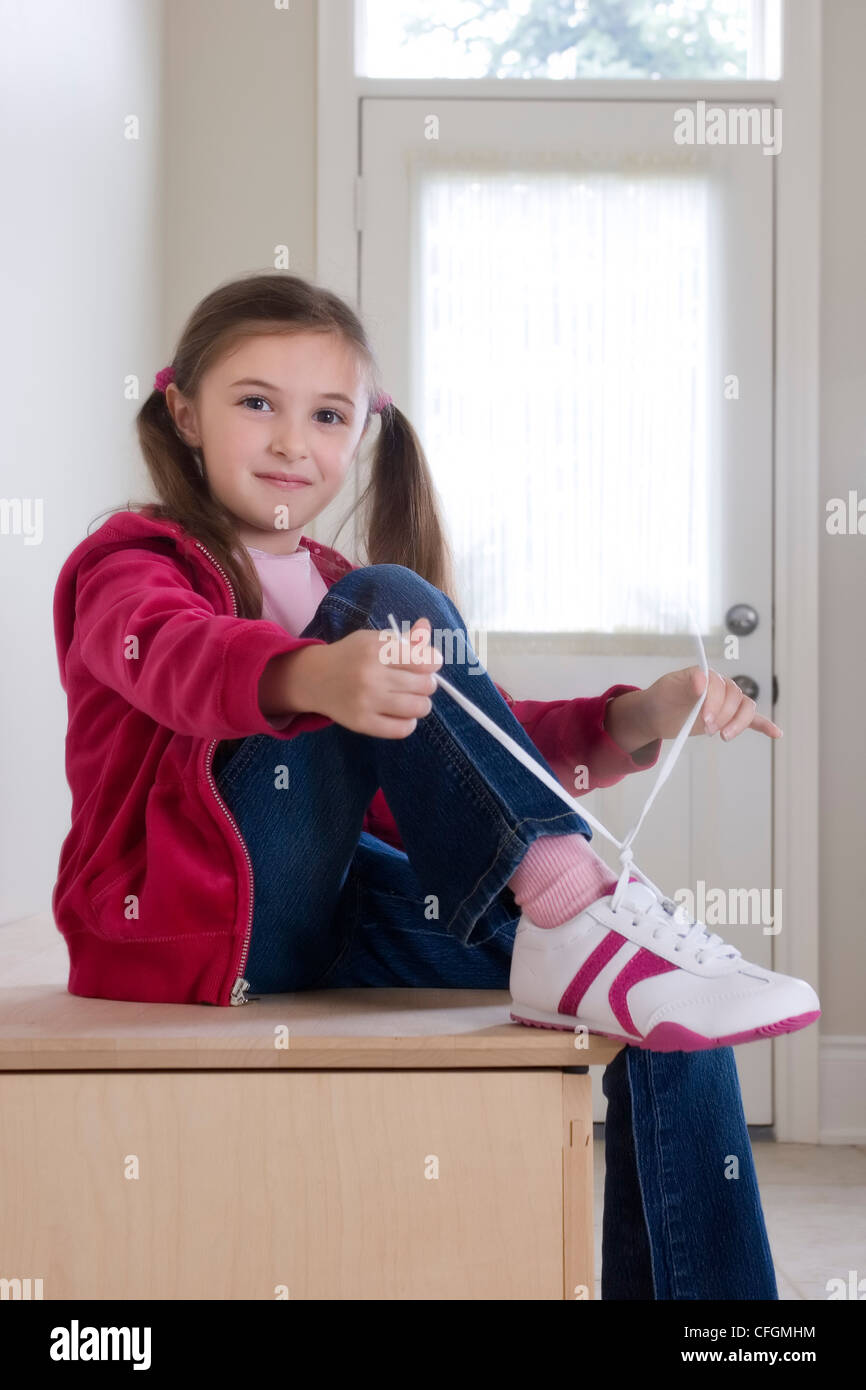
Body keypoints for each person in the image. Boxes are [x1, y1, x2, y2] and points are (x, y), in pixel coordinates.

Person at [52, 271, 819, 1298]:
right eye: (254, 403)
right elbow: (174, 659)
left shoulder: (332, 584)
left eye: (324, 415)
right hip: (189, 928)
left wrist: (640, 716)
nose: (291, 441)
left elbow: (473, 756)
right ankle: (571, 903)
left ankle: (712, 1323)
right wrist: (309, 674)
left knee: (659, 984)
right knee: (388, 601)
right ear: (183, 412)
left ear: (358, 432)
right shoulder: (132, 560)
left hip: (333, 911)